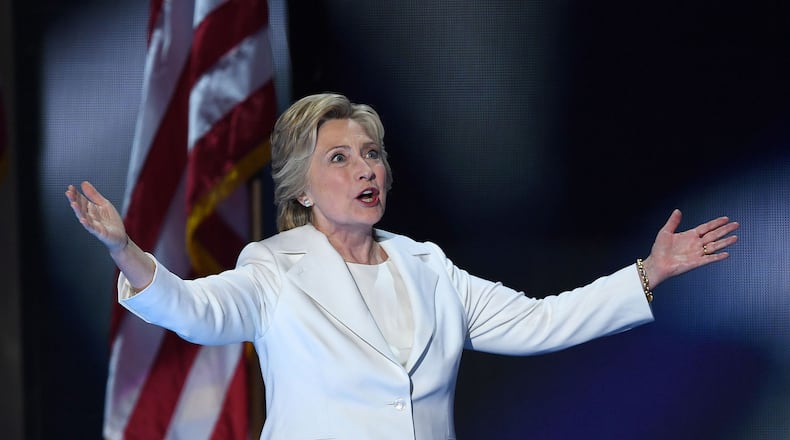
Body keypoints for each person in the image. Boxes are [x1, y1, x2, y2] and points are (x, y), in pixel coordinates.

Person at [66, 93, 739, 439]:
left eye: (373, 154)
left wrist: (648, 272)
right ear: (301, 187)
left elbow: (540, 323)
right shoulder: (273, 270)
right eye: (341, 158)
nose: (366, 169)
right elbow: (195, 313)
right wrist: (126, 253)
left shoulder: (431, 268)